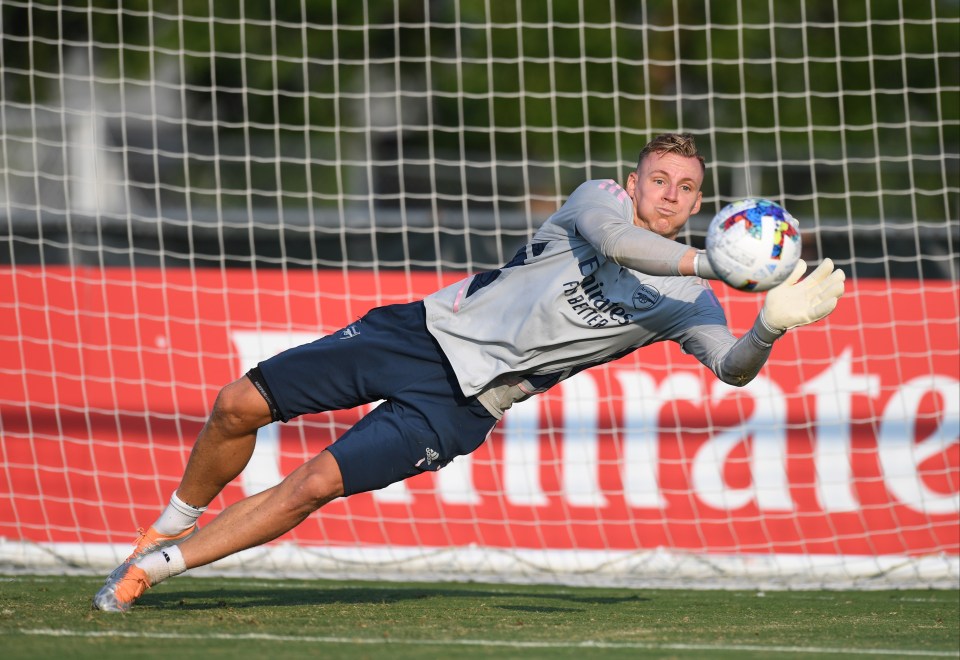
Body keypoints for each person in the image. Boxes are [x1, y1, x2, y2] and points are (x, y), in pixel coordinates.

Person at [93, 133, 845, 611]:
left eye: (684, 189)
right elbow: (619, 245)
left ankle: (153, 569)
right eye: (659, 179)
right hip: (419, 333)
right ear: (634, 180)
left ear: (701, 205)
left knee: (314, 484)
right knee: (236, 404)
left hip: (464, 404)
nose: (668, 194)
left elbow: (733, 371)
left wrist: (768, 326)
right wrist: (715, 259)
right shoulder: (600, 202)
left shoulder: (692, 302)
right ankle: (169, 523)